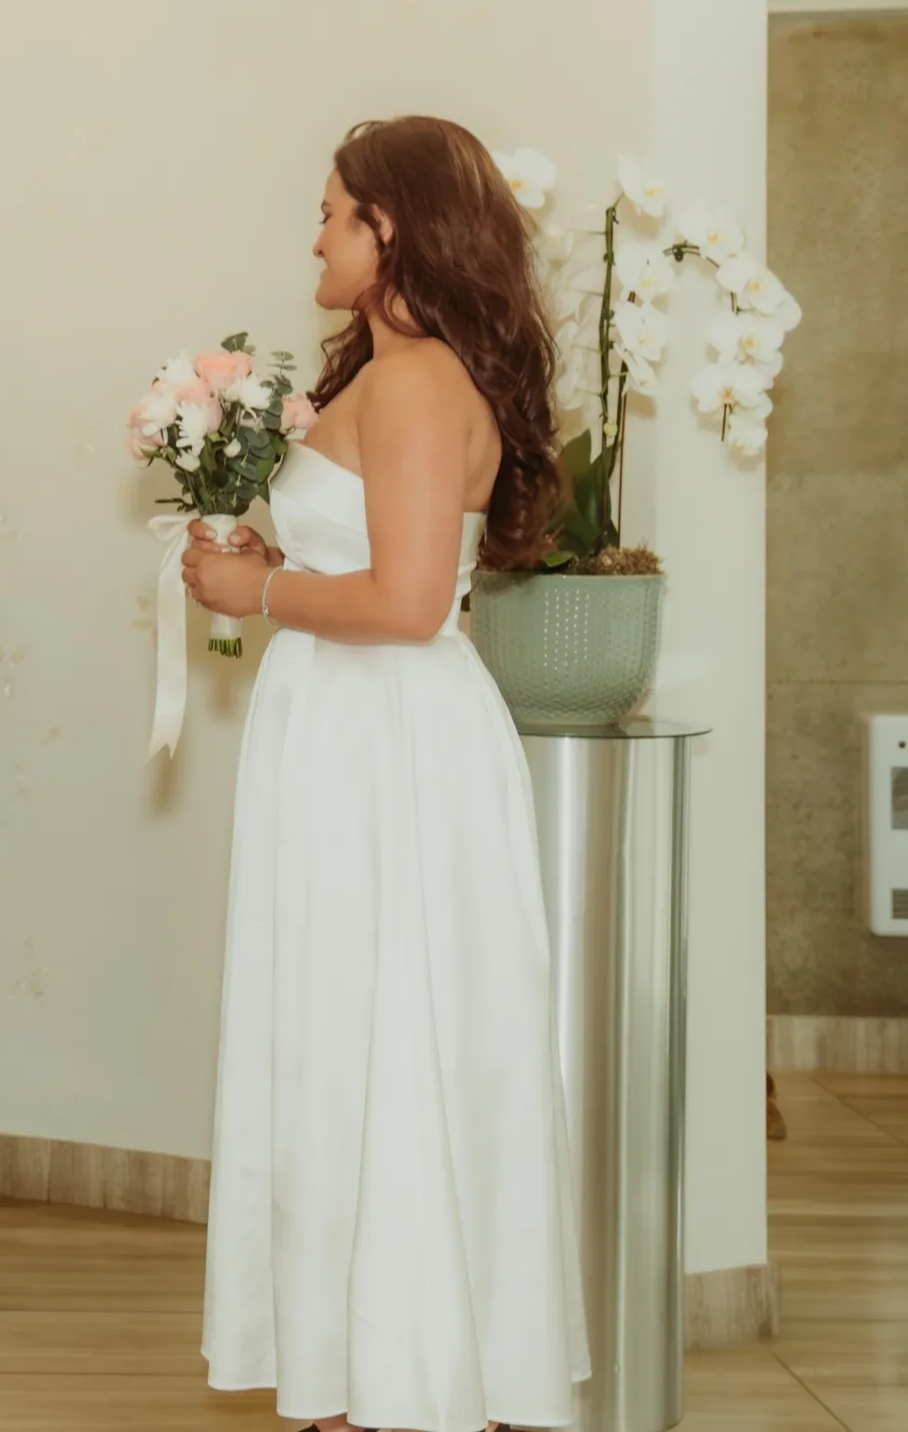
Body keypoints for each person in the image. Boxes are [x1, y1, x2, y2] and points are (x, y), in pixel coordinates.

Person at [183, 117, 589, 1432]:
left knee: (381, 1036)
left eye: (332, 211)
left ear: (391, 227)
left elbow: (412, 598)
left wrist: (258, 582)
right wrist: (268, 542)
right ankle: (367, 1372)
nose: (314, 234)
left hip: (383, 743)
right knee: (355, 1037)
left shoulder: (416, 379)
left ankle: (395, 1380)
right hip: (353, 730)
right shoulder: (405, 368)